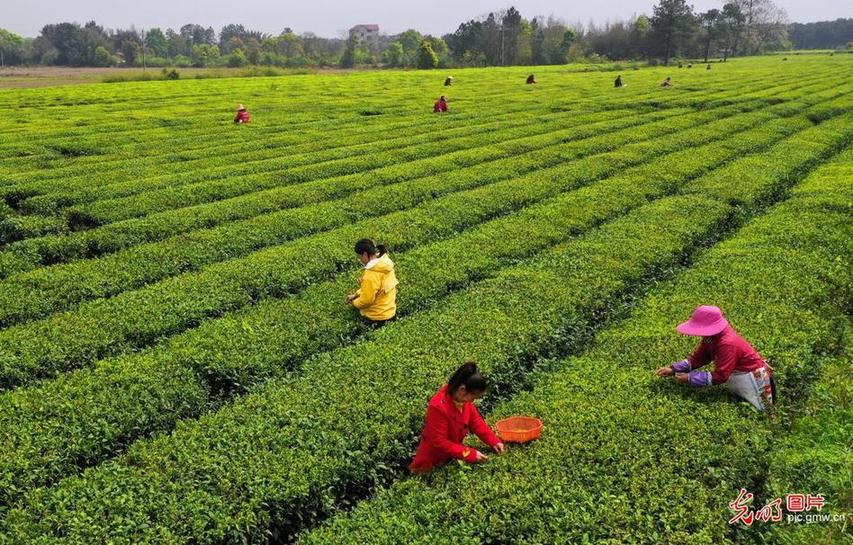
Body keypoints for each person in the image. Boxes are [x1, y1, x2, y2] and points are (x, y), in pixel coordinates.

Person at [656, 306, 775, 412]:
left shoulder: (727, 343)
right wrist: (673, 369)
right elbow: (699, 358)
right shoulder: (711, 337)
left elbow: (721, 376)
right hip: (737, 376)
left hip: (753, 378)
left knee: (763, 411)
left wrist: (690, 378)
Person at [410, 361, 505, 473]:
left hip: (452, 456)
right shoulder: (438, 407)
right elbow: (439, 442)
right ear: (462, 390)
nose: (473, 401)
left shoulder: (461, 400)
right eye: (473, 397)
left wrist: (493, 441)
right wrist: (470, 454)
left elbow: (475, 421)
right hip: (432, 461)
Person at [345, 239, 398, 323]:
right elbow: (376, 289)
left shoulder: (371, 274)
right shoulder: (385, 264)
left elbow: (366, 301)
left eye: (359, 257)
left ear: (365, 254)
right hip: (390, 312)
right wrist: (356, 294)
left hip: (377, 316)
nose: (360, 260)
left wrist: (354, 303)